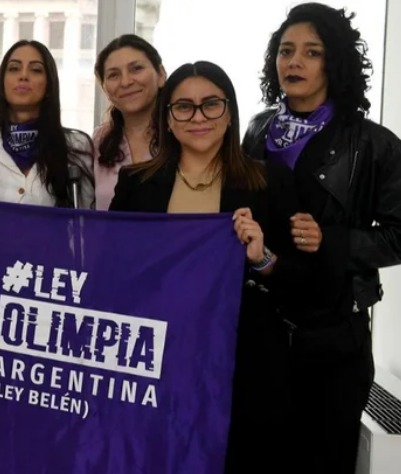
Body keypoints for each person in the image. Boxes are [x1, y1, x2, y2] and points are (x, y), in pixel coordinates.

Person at [108, 61, 298, 473]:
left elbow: (305, 284)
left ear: (229, 114)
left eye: (211, 104)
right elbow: (113, 273)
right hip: (156, 364)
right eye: (184, 107)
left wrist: (263, 258)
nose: (198, 117)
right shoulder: (136, 185)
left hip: (242, 365)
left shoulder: (270, 182)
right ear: (167, 119)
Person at [242, 3, 401, 472]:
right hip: (261, 329)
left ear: (335, 63)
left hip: (334, 338)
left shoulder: (374, 143)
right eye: (286, 51)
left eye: (312, 52)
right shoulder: (257, 130)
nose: (294, 62)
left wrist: (332, 241)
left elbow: (399, 235)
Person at [0, 40, 93, 208]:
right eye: (14, 68)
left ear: (49, 85)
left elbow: (86, 217)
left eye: (36, 70)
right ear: (2, 82)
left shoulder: (76, 145)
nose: (23, 76)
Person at [93, 34, 166, 210]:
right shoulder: (97, 141)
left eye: (136, 69)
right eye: (113, 75)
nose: (125, 82)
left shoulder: (184, 135)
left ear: (161, 74)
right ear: (104, 88)